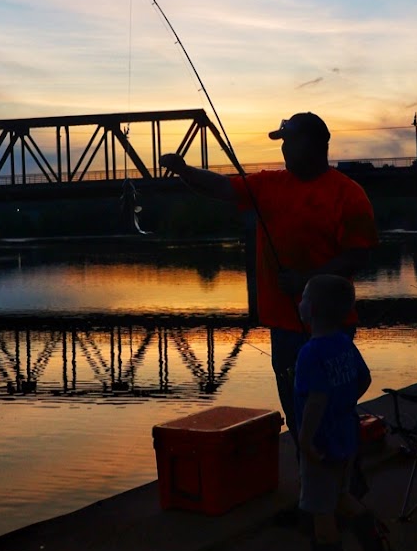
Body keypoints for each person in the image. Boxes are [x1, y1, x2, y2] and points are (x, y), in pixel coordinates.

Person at [160, 111, 379, 456]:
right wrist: (185, 172)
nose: (283, 150)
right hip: (284, 328)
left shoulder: (348, 194)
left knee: (333, 408)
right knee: (297, 412)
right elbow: (221, 187)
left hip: (332, 328)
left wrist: (307, 281)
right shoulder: (269, 185)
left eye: (287, 141)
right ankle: (319, 488)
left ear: (309, 143)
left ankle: (339, 488)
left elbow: (359, 256)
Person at [287, 274, 394, 551]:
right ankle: (377, 547)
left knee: (321, 509)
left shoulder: (310, 353)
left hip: (321, 441)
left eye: (303, 297)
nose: (299, 302)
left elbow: (316, 400)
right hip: (346, 434)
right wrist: (344, 403)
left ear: (314, 309)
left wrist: (304, 440)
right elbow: (364, 379)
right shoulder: (344, 343)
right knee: (340, 495)